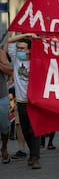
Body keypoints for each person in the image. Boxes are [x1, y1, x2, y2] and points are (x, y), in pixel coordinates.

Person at [7, 33, 42, 169]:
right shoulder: (16, 59)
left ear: (29, 50)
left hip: (34, 101)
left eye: (22, 48)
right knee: (26, 130)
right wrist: (26, 34)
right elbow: (9, 40)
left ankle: (35, 157)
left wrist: (35, 39)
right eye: (18, 48)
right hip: (21, 101)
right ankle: (32, 153)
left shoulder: (37, 60)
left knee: (34, 129)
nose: (19, 51)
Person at [0, 46, 13, 164]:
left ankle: (4, 146)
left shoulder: (1, 52)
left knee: (4, 127)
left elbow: (10, 71)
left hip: (1, 97)